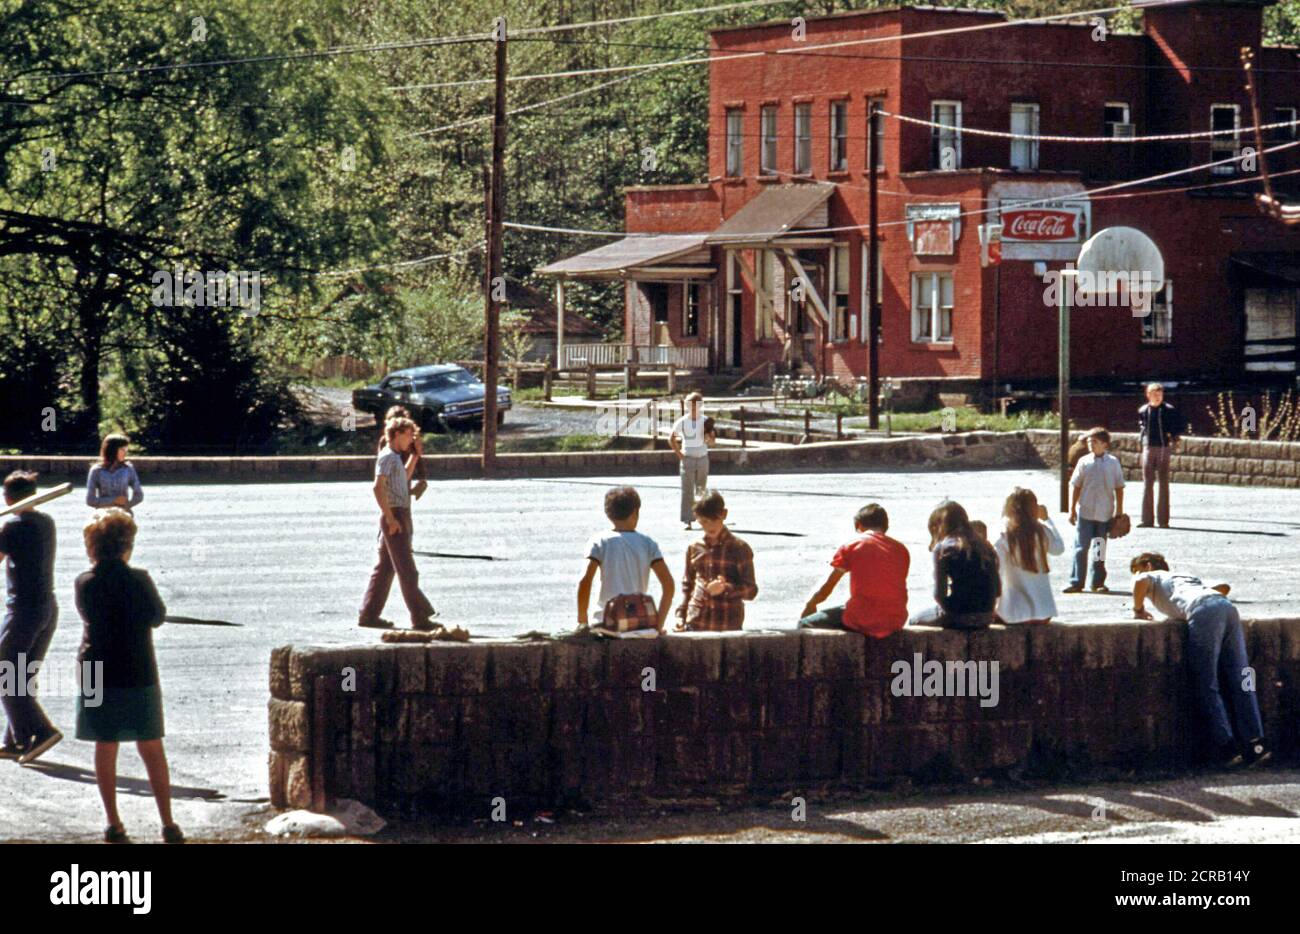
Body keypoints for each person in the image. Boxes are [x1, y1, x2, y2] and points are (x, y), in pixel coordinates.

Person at [75, 508, 183, 843]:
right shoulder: (140, 579)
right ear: (126, 545)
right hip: (137, 666)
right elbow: (156, 616)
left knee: (104, 745)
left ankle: (114, 823)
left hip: (95, 669)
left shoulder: (84, 582)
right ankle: (167, 822)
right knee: (151, 745)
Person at [1131, 552, 1270, 768]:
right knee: (1242, 677)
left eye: (1136, 569)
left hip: (1202, 612)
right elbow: (1223, 587)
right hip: (1226, 607)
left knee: (1206, 682)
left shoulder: (1154, 575)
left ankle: (1227, 748)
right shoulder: (1182, 577)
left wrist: (1138, 609)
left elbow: (1140, 581)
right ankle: (1257, 745)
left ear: (1147, 565)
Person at [0, 471, 62, 763]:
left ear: (8, 498)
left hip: (24, 611)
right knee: (19, 676)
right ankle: (14, 740)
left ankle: (40, 732)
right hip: (46, 609)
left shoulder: (12, 527)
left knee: (6, 674)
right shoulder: (45, 522)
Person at [358, 416, 437, 631]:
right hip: (394, 516)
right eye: (409, 435)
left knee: (385, 568)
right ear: (397, 434)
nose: (411, 439)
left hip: (399, 514)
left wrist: (415, 455)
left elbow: (404, 477)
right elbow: (377, 488)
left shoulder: (395, 457)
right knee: (408, 572)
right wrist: (390, 519)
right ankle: (420, 619)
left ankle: (368, 614)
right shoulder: (387, 457)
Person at [798, 503, 909, 637]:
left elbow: (827, 586)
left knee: (805, 624)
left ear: (858, 525)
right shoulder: (901, 550)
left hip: (862, 617)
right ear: (886, 527)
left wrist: (811, 604)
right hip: (896, 619)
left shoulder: (852, 545)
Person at [577, 486, 674, 630]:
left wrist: (582, 620)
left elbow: (585, 580)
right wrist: (658, 625)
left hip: (605, 622)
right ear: (635, 512)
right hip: (638, 624)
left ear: (608, 514)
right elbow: (668, 585)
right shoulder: (648, 543)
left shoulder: (599, 541)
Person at [909, 501, 1000, 630]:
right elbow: (998, 591)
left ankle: (918, 652)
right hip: (986, 616)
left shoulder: (943, 548)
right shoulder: (985, 546)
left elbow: (939, 595)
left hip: (959, 615)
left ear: (939, 526)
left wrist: (952, 612)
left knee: (914, 620)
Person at [676, 490, 757, 632]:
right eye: (705, 521)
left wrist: (726, 589)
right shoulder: (694, 548)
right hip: (697, 622)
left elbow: (751, 590)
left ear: (724, 514)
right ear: (697, 518)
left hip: (726, 623)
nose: (710, 526)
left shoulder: (739, 548)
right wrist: (680, 616)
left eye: (715, 520)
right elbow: (687, 585)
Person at [1064, 428, 1125, 594]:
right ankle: (1077, 582)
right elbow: (1076, 485)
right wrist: (1072, 510)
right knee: (1081, 547)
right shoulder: (1084, 462)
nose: (1091, 444)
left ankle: (1098, 582)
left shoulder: (1113, 463)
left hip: (1104, 513)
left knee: (1099, 548)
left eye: (1095, 442)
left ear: (1105, 444)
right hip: (1086, 511)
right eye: (1089, 442)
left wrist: (1119, 511)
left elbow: (1119, 487)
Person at [994, 488, 1064, 624]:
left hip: (1014, 614)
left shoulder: (1004, 535)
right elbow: (1059, 549)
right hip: (1044, 614)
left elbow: (997, 572)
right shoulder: (1042, 532)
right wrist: (1047, 520)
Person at [1137, 383, 1184, 529]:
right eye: (1154, 394)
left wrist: (1175, 441)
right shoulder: (1143, 410)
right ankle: (1147, 520)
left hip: (1163, 448)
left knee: (1163, 483)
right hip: (1148, 448)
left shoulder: (1169, 410)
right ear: (1148, 395)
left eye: (1160, 394)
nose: (1157, 397)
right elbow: (1142, 428)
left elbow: (1175, 428)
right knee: (1147, 483)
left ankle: (1163, 521)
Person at [670, 392, 710, 530]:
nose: (692, 407)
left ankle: (704, 518)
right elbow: (671, 438)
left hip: (702, 457)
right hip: (688, 458)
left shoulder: (706, 420)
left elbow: (712, 441)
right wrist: (679, 454)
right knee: (687, 490)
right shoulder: (682, 422)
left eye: (695, 404)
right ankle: (688, 519)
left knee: (701, 489)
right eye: (689, 404)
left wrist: (709, 436)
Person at [380, 405, 428, 501]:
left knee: (401, 508)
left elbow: (417, 457)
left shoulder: (408, 439)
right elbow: (381, 462)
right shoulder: (385, 441)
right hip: (390, 478)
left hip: (406, 474)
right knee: (393, 509)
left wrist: (422, 477)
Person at [86, 433, 143, 512]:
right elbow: (90, 500)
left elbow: (139, 495)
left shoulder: (128, 469)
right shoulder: (96, 470)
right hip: (102, 514)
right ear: (112, 449)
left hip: (124, 513)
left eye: (126, 449)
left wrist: (127, 506)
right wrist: (114, 500)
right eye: (122, 449)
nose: (125, 452)